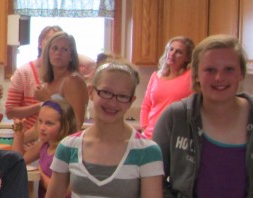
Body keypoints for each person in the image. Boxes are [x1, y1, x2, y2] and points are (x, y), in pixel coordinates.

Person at [153, 35, 253, 197]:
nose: (219, 78)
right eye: (210, 70)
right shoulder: (175, 118)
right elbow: (152, 178)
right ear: (196, 74)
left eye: (229, 69)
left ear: (241, 73)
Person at [47, 61, 164, 198]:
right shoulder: (68, 147)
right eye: (106, 92)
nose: (113, 102)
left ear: (131, 101)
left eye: (122, 96)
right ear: (91, 92)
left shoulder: (147, 151)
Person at [6, 25, 63, 152]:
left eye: (58, 44)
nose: (52, 46)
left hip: (54, 148)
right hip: (27, 146)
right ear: (40, 44)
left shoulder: (63, 77)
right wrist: (40, 105)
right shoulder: (24, 72)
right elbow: (10, 111)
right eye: (49, 39)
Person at [140, 36, 195, 138]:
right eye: (171, 49)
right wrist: (145, 127)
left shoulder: (192, 76)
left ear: (187, 57)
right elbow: (146, 105)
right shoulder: (156, 76)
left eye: (179, 52)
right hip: (151, 134)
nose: (172, 54)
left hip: (177, 136)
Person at [22, 97, 77, 198]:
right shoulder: (44, 145)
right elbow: (20, 160)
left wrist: (40, 174)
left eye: (49, 123)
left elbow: (62, 192)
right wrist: (18, 134)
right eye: (40, 121)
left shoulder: (66, 151)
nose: (42, 127)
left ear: (65, 126)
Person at [35, 32, 88, 130]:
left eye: (64, 49)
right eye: (55, 48)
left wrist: (48, 99)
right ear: (48, 52)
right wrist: (19, 138)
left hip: (64, 143)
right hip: (47, 142)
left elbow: (76, 124)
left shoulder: (73, 81)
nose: (58, 53)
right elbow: (43, 127)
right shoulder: (48, 83)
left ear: (71, 56)